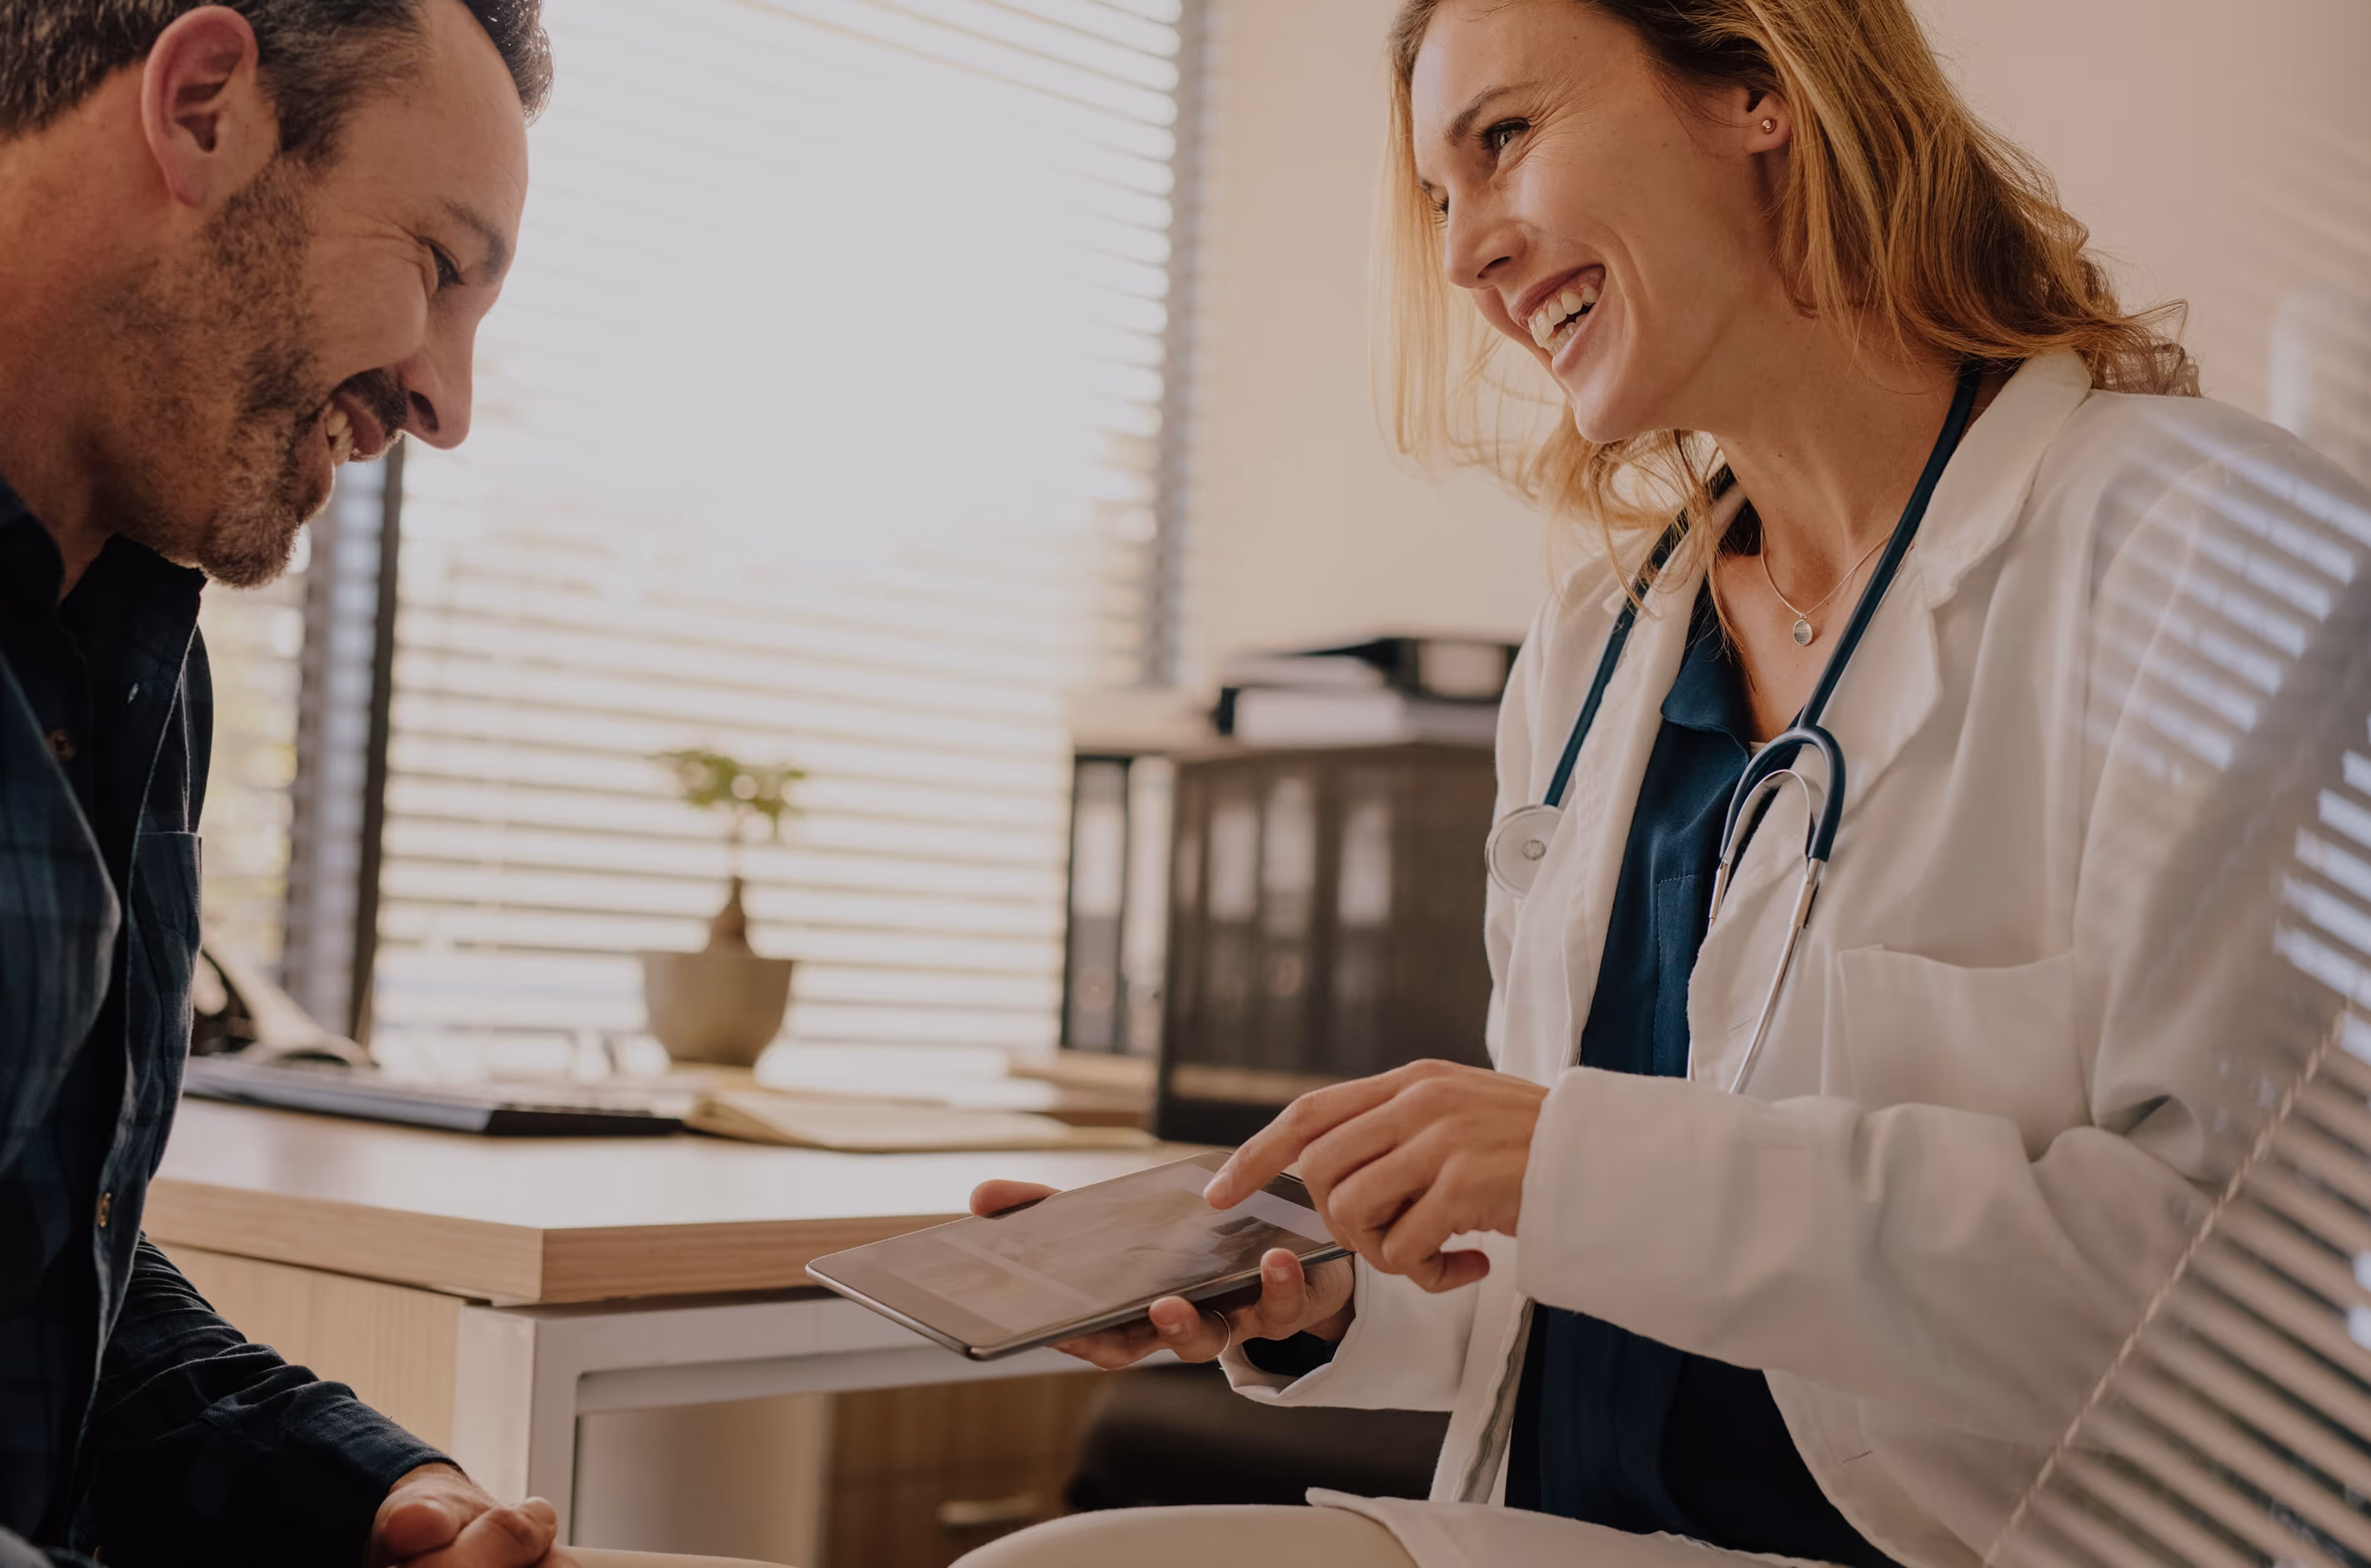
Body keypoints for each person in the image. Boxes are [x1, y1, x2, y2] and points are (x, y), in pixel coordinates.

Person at [956, 2, 2371, 1567]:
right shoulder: (1603, 644)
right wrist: (1339, 1286)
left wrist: (1570, 1161)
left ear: (1763, 88)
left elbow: (2242, 1311)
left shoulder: (2214, 560)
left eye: (1503, 143)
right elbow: (1595, 1271)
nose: (1463, 258)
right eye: (1439, 197)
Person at [0, 2, 575, 1563]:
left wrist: (374, 1497)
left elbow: (40, 1287)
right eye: (441, 269)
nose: (444, 401)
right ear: (200, 109)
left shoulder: (131, 654)